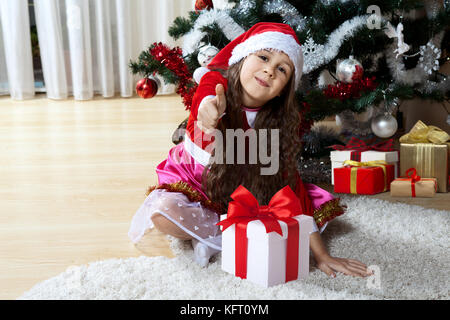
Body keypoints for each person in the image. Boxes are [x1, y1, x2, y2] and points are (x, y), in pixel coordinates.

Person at [128, 22, 372, 278]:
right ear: (243, 57)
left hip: (243, 190)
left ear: (283, 91)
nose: (269, 70)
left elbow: (289, 188)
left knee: (282, 214)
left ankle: (219, 235)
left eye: (282, 69)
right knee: (162, 213)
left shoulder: (278, 122)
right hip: (198, 181)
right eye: (263, 57)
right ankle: (222, 237)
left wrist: (322, 256)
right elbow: (207, 99)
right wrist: (208, 113)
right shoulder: (216, 84)